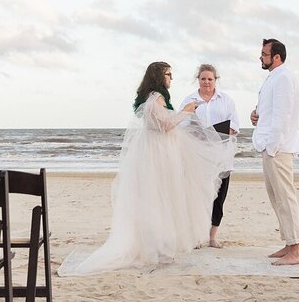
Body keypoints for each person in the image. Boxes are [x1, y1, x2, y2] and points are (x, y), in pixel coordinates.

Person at [69, 61, 231, 274]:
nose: (171, 78)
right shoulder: (156, 98)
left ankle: (161, 248)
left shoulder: (155, 98)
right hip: (158, 155)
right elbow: (165, 125)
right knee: (159, 199)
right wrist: (186, 111)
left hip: (158, 151)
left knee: (161, 199)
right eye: (168, 74)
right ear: (158, 77)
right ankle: (159, 250)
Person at [250, 38, 299, 266]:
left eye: (264, 54)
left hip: (278, 148)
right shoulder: (273, 78)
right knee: (277, 199)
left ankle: (297, 250)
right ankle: (289, 244)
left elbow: (283, 116)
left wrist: (272, 147)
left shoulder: (283, 77)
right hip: (270, 146)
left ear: (276, 57)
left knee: (285, 198)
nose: (260, 57)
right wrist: (256, 114)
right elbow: (271, 111)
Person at [178, 63, 240, 248]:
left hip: (222, 157)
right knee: (197, 196)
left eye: (210, 79)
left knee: (219, 198)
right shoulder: (190, 100)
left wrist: (211, 134)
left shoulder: (226, 100)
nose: (206, 82)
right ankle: (197, 236)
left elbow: (234, 127)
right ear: (198, 80)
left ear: (215, 80)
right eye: (203, 78)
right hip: (197, 157)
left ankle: (212, 237)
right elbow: (181, 126)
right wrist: (200, 135)